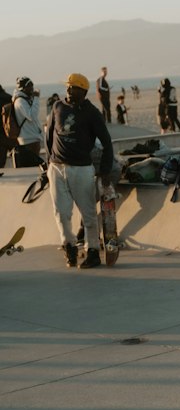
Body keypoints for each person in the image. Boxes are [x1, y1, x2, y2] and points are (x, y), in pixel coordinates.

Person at [45, 74, 114, 269]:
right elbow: (49, 135)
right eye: (67, 86)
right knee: (61, 212)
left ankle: (93, 251)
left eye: (73, 87)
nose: (68, 90)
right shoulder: (58, 107)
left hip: (81, 170)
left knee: (89, 214)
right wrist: (48, 162)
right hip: (56, 168)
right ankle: (69, 246)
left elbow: (107, 143)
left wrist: (105, 171)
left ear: (83, 91)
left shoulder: (92, 113)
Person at [10, 77, 43, 166]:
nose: (32, 89)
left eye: (32, 86)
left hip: (32, 138)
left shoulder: (24, 99)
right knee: (33, 166)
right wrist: (36, 99)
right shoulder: (20, 101)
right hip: (29, 139)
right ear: (23, 88)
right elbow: (32, 116)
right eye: (29, 86)